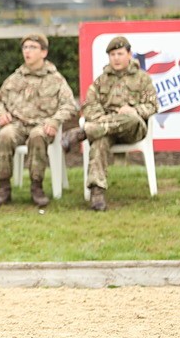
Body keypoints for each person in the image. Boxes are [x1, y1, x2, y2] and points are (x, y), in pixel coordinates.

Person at [62, 35, 159, 211]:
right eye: (112, 54)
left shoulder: (143, 79)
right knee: (99, 141)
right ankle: (97, 192)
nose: (116, 58)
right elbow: (89, 106)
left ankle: (83, 132)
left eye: (120, 53)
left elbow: (153, 105)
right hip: (105, 131)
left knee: (130, 118)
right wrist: (102, 120)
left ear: (129, 55)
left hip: (132, 129)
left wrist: (134, 110)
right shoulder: (101, 81)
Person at [0, 33, 78, 207]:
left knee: (38, 136)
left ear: (43, 52)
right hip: (17, 125)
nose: (27, 52)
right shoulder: (15, 78)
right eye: (25, 48)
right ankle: (4, 187)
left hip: (42, 125)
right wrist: (0, 113)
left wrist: (55, 121)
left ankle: (36, 187)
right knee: (5, 136)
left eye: (33, 48)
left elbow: (70, 105)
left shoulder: (55, 79)